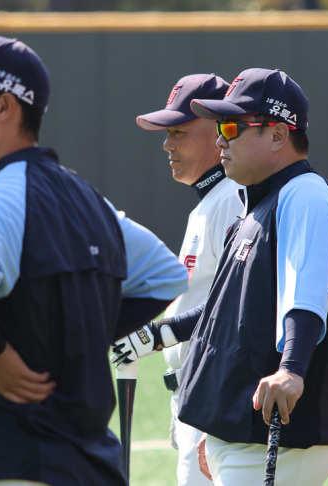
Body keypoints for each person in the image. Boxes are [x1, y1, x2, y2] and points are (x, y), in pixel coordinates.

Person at [0, 35, 188, 486]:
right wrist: (77, 339)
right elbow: (166, 275)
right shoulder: (90, 201)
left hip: (12, 456)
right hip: (92, 462)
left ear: (5, 107)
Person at [112, 68, 328, 485]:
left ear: (279, 135)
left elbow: (305, 294)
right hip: (237, 427)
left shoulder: (305, 192)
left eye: (232, 126)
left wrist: (292, 369)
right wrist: (161, 337)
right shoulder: (256, 203)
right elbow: (225, 308)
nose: (221, 138)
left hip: (275, 430)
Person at [134, 74, 243, 486]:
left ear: (218, 132)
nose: (167, 144)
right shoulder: (209, 202)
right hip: (193, 395)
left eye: (179, 131)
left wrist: (156, 336)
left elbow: (235, 305)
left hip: (213, 398)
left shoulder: (230, 198)